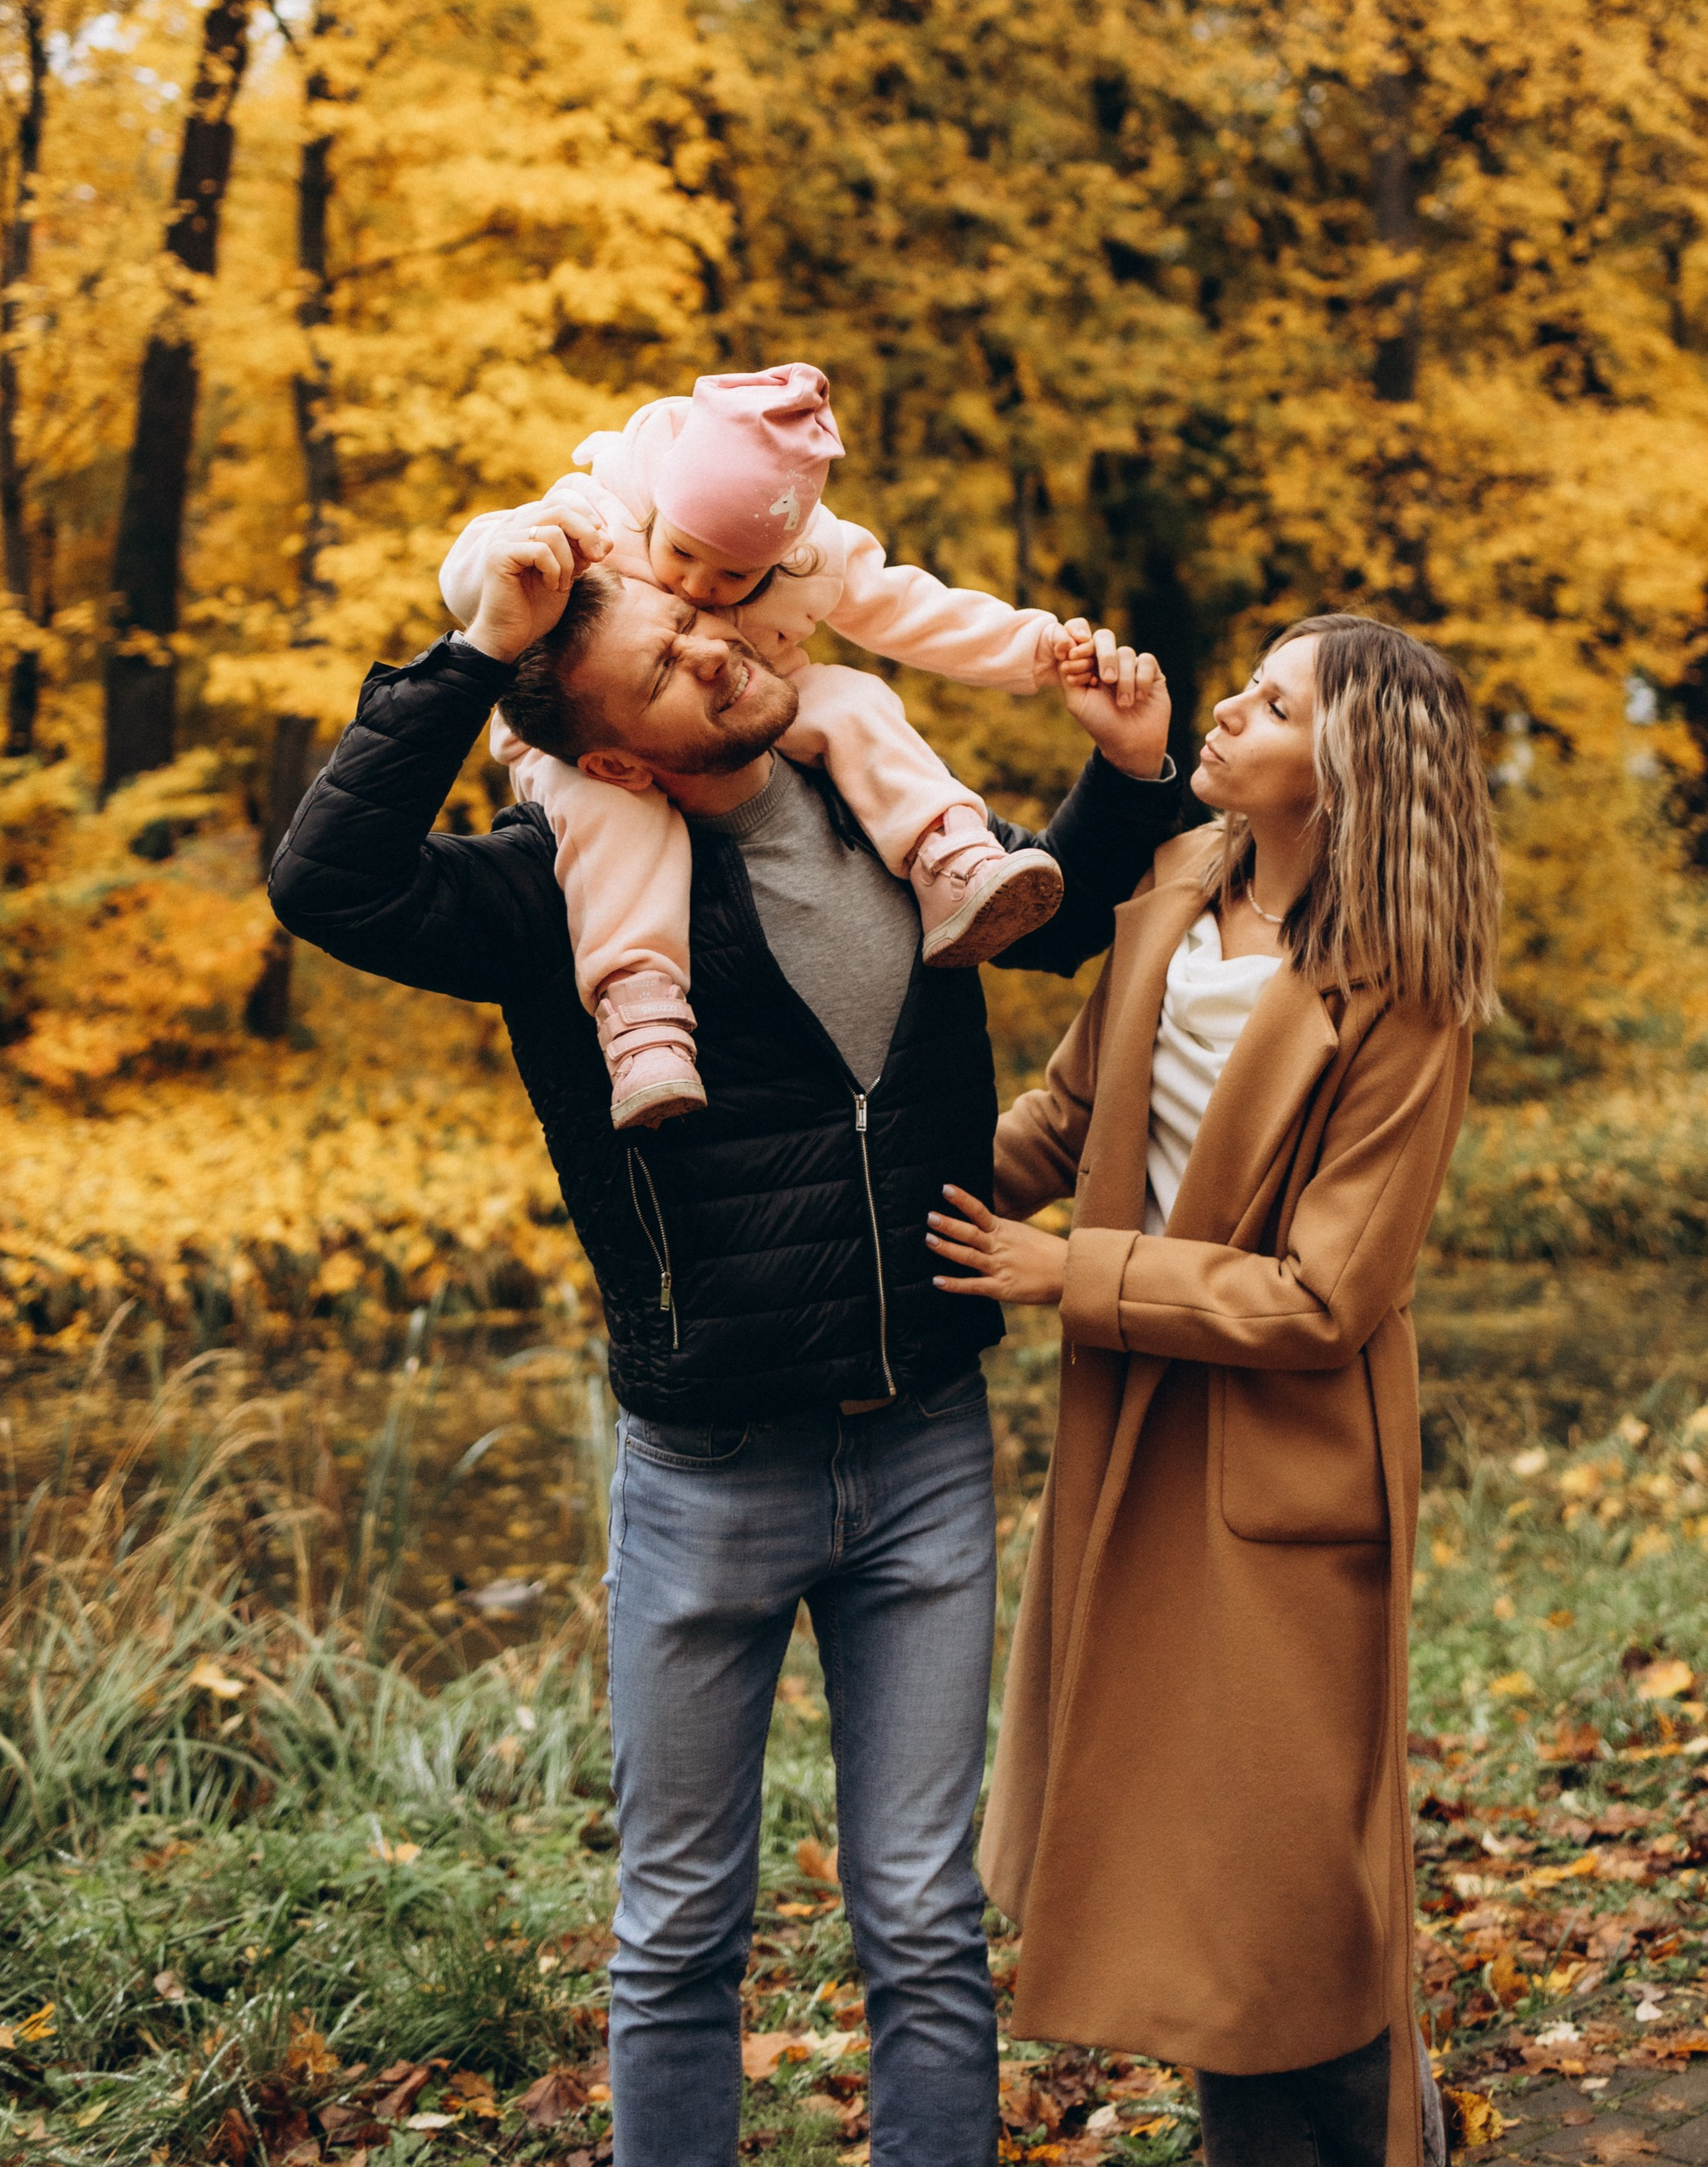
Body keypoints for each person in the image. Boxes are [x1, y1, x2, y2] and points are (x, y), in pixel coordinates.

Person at [266, 502, 1180, 2167]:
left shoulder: (873, 786)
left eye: (697, 629)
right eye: (664, 674)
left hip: (918, 1448)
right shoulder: (562, 895)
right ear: (613, 760)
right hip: (706, 1475)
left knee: (920, 1916)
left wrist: (1125, 772)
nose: (714, 656)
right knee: (680, 1928)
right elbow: (325, 881)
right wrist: (481, 648)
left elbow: (1047, 914)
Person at [927, 612, 1501, 2167]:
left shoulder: (1406, 989)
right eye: (1244, 684)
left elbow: (1328, 1298)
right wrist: (865, 1181)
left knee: (1285, 1886)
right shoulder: (1175, 888)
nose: (1230, 707)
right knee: (1192, 1873)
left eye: (1275, 698)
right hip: (1137, 1441)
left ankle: (1386, 2139)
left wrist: (1077, 1275)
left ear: (1351, 763)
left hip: (1285, 1461)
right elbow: (1067, 1113)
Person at [441, 364, 1088, 1128]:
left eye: (734, 575)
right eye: (679, 553)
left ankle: (949, 856)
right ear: (662, 504)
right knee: (617, 819)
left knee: (859, 701)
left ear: (781, 557)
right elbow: (474, 566)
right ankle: (641, 1011)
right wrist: (497, 562)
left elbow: (915, 610)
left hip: (748, 699)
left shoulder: (817, 556)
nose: (697, 588)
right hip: (579, 743)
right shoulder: (602, 509)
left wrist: (1036, 648)